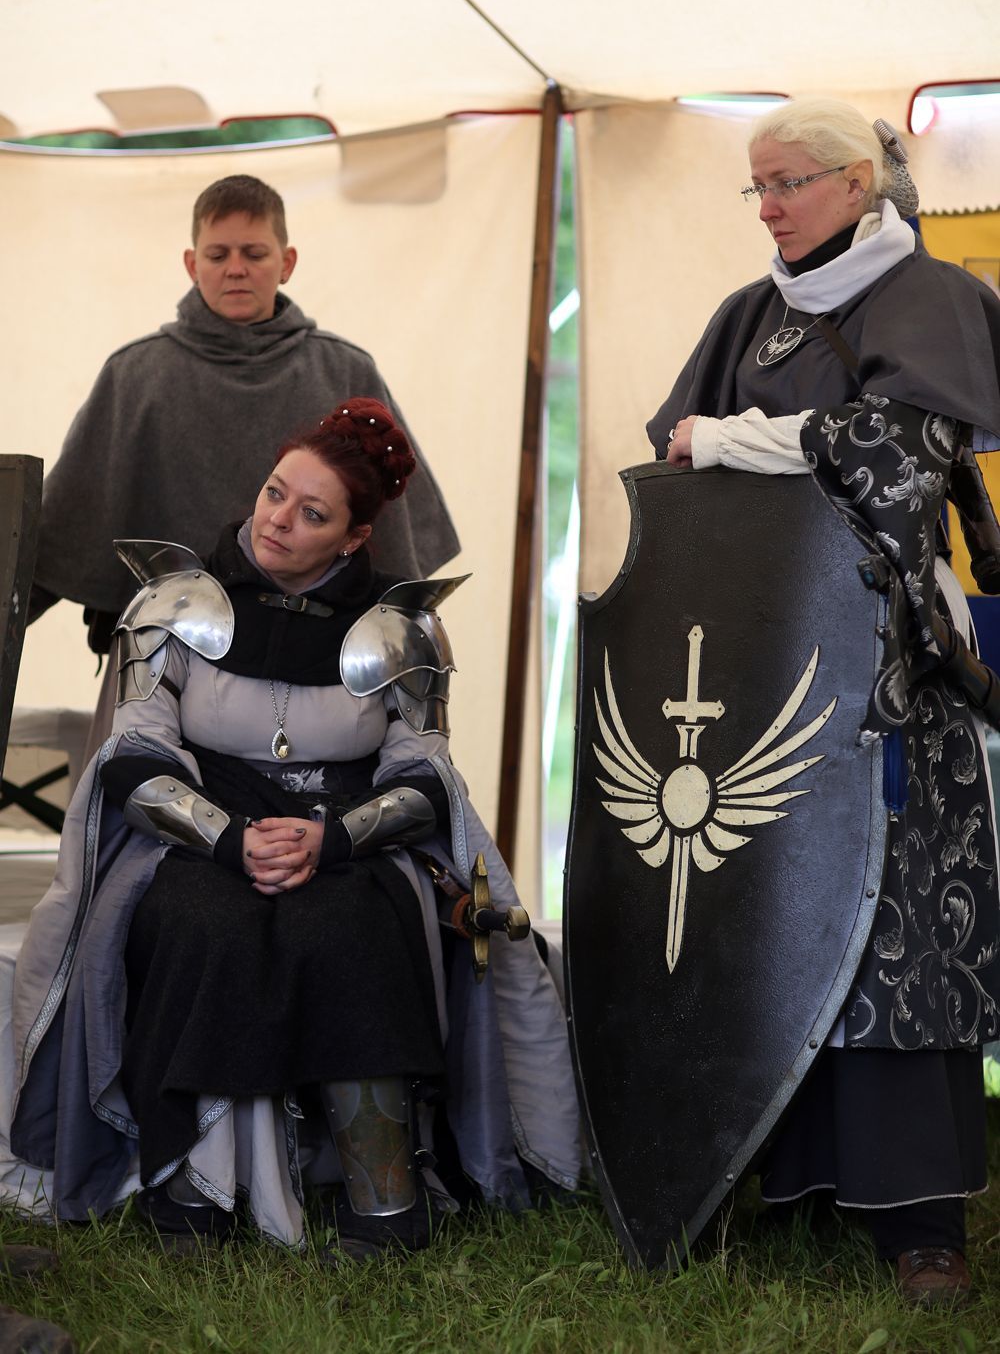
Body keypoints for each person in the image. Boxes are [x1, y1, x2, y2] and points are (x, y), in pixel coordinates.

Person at [8, 398, 580, 1258]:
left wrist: (335, 839)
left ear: (353, 538)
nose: (278, 519)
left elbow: (425, 773)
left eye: (312, 513)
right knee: (204, 925)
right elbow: (133, 755)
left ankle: (384, 1202)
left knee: (354, 929)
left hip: (351, 843)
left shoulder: (401, 629)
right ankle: (190, 1195)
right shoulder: (171, 604)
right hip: (198, 841)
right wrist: (228, 839)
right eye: (275, 492)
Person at [647, 99, 1000, 1305]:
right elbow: (669, 459)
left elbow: (896, 460)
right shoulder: (746, 316)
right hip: (765, 654)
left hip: (886, 654)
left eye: (786, 182)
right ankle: (790, 1181)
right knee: (779, 902)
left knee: (896, 915)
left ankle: (916, 1216)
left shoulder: (930, 299)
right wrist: (721, 447)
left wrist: (732, 441)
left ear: (856, 183)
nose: (767, 207)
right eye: (754, 187)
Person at [29, 174, 459, 658]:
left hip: (318, 659)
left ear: (286, 262)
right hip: (158, 659)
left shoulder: (345, 371)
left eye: (254, 254)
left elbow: (394, 541)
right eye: (218, 255)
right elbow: (60, 534)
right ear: (192, 264)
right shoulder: (135, 376)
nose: (236, 269)